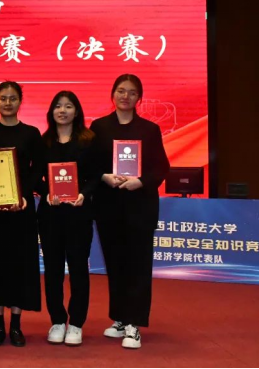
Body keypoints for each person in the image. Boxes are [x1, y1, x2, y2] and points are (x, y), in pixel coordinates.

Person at [91, 74, 169, 350]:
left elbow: (161, 167)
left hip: (140, 205)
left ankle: (135, 323)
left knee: (138, 264)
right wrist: (104, 177)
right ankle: (120, 318)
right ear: (112, 94)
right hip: (109, 205)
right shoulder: (99, 127)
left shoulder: (149, 129)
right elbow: (91, 164)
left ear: (139, 98)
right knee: (115, 264)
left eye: (132, 92)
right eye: (121, 91)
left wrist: (141, 181)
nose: (126, 96)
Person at [0, 81, 43, 347]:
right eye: (3, 98)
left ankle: (16, 325)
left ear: (20, 102)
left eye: (13, 98)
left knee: (20, 265)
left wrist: (22, 195)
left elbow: (37, 170)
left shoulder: (31, 133)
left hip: (21, 209)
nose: (8, 103)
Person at [38, 91, 98, 346]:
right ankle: (57, 320)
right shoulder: (44, 141)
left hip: (78, 213)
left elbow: (96, 175)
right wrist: (46, 192)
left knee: (78, 268)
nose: (62, 111)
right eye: (58, 106)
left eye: (68, 106)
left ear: (77, 111)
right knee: (52, 269)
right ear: (51, 111)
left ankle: (76, 323)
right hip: (50, 215)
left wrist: (84, 193)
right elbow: (35, 177)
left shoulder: (88, 141)